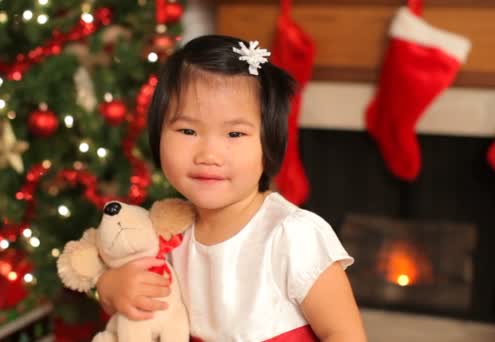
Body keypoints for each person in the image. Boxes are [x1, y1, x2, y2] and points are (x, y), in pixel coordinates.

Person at [95, 35, 367, 342]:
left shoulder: (292, 235)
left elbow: (344, 334)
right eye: (188, 130)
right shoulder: (168, 231)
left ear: (269, 144)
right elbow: (134, 301)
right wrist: (109, 288)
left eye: (235, 134)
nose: (208, 154)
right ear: (158, 135)